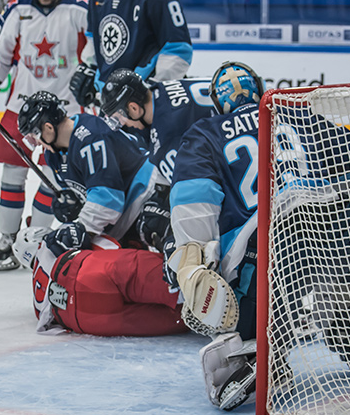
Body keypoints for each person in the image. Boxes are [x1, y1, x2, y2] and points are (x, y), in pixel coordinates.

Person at [169, 62, 350, 411]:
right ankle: (348, 316)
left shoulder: (205, 133)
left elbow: (194, 211)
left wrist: (193, 267)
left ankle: (262, 345)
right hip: (334, 236)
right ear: (260, 90)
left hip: (266, 247)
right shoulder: (304, 117)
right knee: (349, 233)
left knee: (231, 300)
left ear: (218, 103)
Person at [0, 0, 89, 271]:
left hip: (64, 111)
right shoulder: (18, 10)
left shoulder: (78, 9)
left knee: (53, 178)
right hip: (21, 109)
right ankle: (7, 238)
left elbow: (95, 46)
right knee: (12, 175)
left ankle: (37, 236)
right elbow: (1, 55)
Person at [99, 69, 219, 251]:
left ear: (133, 108)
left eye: (119, 117)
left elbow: (195, 196)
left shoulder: (168, 135)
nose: (123, 124)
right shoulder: (160, 88)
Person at [69, 0, 193, 108]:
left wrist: (155, 87)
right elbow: (94, 38)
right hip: (107, 95)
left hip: (141, 97)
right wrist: (89, 67)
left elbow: (179, 48)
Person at [16, 91, 156, 243]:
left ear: (49, 128)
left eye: (34, 137)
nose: (37, 144)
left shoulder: (92, 137)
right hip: (123, 212)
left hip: (145, 196)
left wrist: (79, 230)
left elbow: (108, 199)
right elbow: (85, 192)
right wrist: (71, 202)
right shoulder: (54, 154)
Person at [13, 224, 185, 337]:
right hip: (86, 272)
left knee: (183, 318)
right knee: (179, 284)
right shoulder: (50, 242)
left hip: (82, 319)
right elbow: (110, 247)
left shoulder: (37, 292)